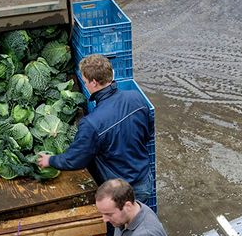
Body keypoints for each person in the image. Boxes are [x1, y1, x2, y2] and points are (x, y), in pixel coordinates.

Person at [36, 54, 154, 205]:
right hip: (144, 180)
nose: (84, 85)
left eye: (85, 82)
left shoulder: (91, 123)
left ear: (94, 83)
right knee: (140, 221)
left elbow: (76, 159)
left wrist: (50, 160)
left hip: (121, 192)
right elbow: (148, 132)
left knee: (120, 225)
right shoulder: (136, 98)